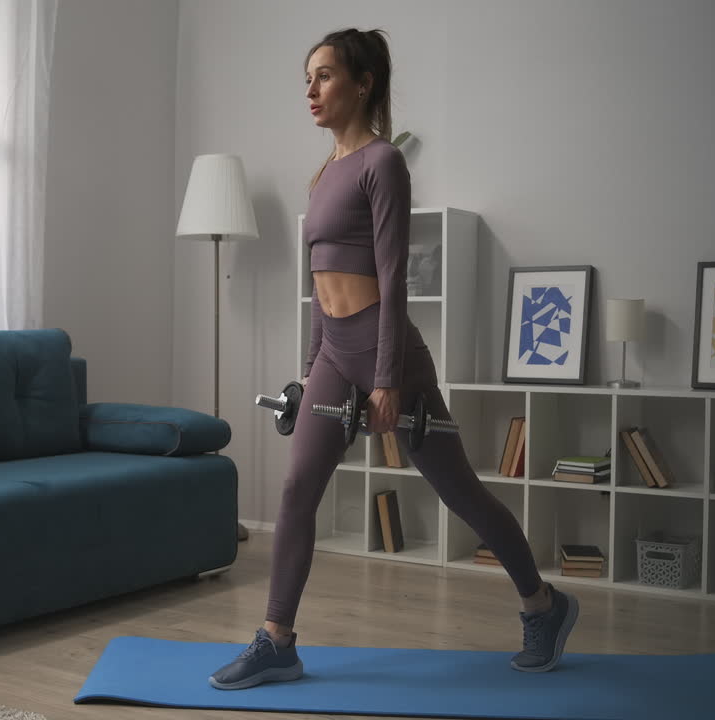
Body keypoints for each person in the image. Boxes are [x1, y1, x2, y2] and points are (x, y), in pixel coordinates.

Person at [208, 27, 579, 691]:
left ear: (363, 83)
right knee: (296, 491)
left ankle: (543, 607)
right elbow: (321, 283)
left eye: (324, 76)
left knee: (458, 489)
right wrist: (309, 368)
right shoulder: (324, 174)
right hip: (335, 356)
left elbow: (392, 274)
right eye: (308, 78)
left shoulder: (383, 163)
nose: (311, 90)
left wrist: (385, 382)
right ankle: (277, 641)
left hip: (389, 353)